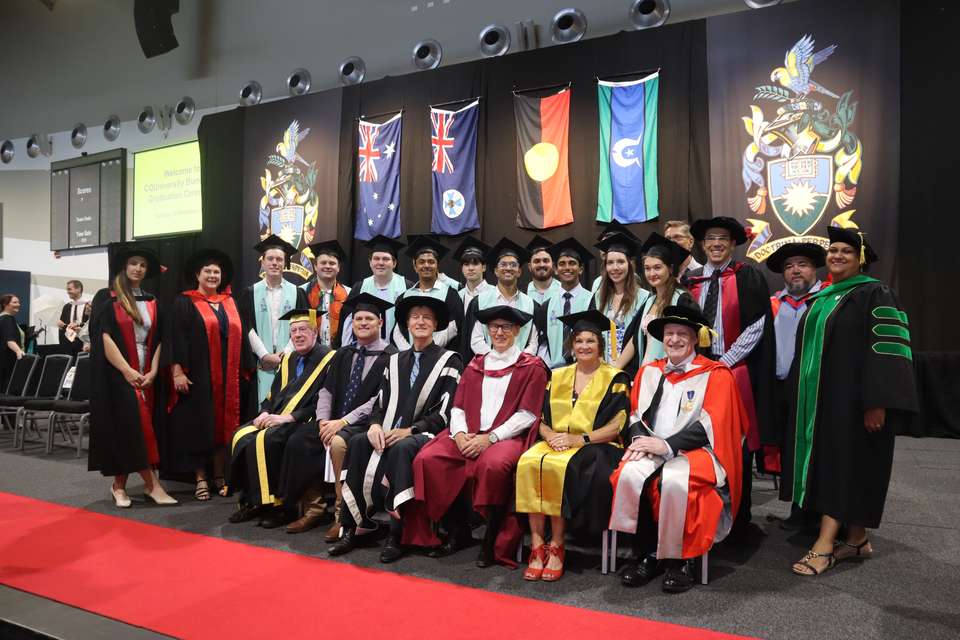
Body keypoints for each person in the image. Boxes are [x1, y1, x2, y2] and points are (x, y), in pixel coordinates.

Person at [781, 227, 917, 577]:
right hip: (823, 402)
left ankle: (825, 544)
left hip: (857, 402)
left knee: (846, 464)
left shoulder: (875, 294)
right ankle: (856, 538)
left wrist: (878, 402)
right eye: (833, 251)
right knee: (839, 464)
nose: (837, 256)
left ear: (860, 260)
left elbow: (888, 351)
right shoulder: (824, 298)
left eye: (846, 251)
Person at [609, 306, 749, 593]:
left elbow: (713, 423)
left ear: (696, 338)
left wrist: (668, 445)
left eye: (682, 334)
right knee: (631, 474)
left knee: (673, 481)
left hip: (698, 451)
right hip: (653, 444)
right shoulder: (650, 371)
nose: (674, 339)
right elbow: (635, 413)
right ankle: (648, 554)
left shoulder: (716, 374)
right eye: (669, 334)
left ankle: (679, 561)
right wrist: (640, 440)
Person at [404, 305, 549, 567]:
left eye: (506, 327)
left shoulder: (532, 367)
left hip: (506, 437)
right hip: (468, 433)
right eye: (494, 327)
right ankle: (456, 529)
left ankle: (491, 539)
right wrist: (459, 435)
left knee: (492, 466)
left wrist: (491, 438)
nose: (500, 332)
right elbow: (457, 406)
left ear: (517, 330)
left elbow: (528, 414)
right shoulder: (476, 364)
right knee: (429, 458)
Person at [329, 295, 462, 563]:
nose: (421, 321)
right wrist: (375, 425)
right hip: (388, 429)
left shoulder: (450, 360)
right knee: (357, 442)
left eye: (427, 317)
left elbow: (446, 411)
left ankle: (397, 534)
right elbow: (379, 402)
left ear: (436, 324)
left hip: (425, 435)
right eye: (415, 317)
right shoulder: (394, 360)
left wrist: (411, 430)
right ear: (407, 324)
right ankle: (353, 527)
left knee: (402, 448)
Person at [516, 310, 631, 581]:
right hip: (556, 441)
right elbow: (540, 418)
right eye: (578, 341)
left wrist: (580, 439)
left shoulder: (615, 378)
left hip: (596, 445)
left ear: (600, 345)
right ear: (571, 345)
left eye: (590, 341)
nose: (584, 346)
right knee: (529, 461)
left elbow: (618, 424)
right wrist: (548, 435)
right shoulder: (557, 376)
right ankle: (536, 545)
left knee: (559, 467)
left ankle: (557, 544)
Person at [682, 216, 775, 536]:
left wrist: (728, 360)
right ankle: (700, 515)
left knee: (737, 444)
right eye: (710, 238)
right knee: (696, 439)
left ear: (733, 243)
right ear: (703, 244)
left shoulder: (747, 275)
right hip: (696, 371)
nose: (716, 244)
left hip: (734, 371)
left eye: (723, 238)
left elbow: (758, 324)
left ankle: (739, 517)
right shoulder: (691, 281)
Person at [279, 293, 397, 539]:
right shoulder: (343, 353)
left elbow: (379, 400)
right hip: (332, 421)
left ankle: (341, 517)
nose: (363, 323)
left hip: (364, 424)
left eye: (368, 319)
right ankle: (313, 509)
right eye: (358, 319)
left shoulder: (391, 356)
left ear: (380, 323)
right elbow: (326, 389)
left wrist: (342, 422)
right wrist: (323, 421)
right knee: (299, 439)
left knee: (338, 443)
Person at [226, 309, 335, 528]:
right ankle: (253, 500)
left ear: (315, 332)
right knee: (241, 435)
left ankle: (281, 506)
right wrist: (265, 412)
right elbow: (272, 394)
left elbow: (324, 401)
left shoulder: (329, 359)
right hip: (278, 417)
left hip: (306, 420)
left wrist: (288, 418)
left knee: (268, 440)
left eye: (303, 330)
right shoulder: (289, 359)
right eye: (293, 331)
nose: (298, 335)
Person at [87, 245, 176, 508]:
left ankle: (118, 486)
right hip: (118, 372)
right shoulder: (107, 297)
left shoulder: (152, 300)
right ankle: (152, 485)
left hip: (147, 370)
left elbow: (159, 339)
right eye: (133, 263)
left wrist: (152, 371)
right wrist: (127, 371)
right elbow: (103, 338)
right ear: (124, 267)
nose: (138, 268)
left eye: (143, 265)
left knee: (131, 429)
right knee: (135, 426)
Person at [165, 249, 249, 501]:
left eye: (217, 272)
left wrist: (245, 369)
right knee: (201, 426)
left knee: (225, 426)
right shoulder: (185, 302)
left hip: (228, 376)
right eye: (208, 271)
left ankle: (220, 475)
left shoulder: (230, 302)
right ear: (197, 275)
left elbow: (241, 336)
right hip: (200, 376)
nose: (213, 275)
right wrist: (177, 371)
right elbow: (175, 337)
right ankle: (201, 477)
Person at [765, 242, 827, 530]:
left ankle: (818, 513)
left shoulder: (826, 302)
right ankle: (798, 509)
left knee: (813, 450)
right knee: (789, 450)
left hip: (814, 389)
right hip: (780, 388)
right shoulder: (774, 303)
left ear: (814, 268)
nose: (795, 271)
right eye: (789, 266)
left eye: (802, 264)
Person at [614, 233, 698, 379]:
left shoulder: (681, 300)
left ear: (670, 269)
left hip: (673, 375)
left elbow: (690, 342)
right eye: (647, 268)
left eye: (657, 267)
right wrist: (614, 369)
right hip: (647, 373)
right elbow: (635, 340)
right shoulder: (649, 301)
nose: (652, 273)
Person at [239, 235, 307, 409]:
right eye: (270, 259)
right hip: (260, 363)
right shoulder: (250, 292)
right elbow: (246, 327)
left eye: (279, 259)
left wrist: (285, 354)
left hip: (290, 359)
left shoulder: (297, 293)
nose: (275, 263)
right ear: (262, 262)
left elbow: (304, 326)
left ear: (285, 263)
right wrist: (264, 355)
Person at [462, 237, 539, 362]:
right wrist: (495, 360)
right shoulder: (480, 302)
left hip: (521, 367)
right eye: (503, 264)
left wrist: (517, 360)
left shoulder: (531, 305)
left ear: (519, 272)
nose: (508, 268)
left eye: (513, 265)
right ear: (496, 271)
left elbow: (533, 342)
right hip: (488, 366)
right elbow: (476, 339)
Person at [392, 235, 464, 350]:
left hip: (439, 357)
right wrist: (409, 352)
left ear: (437, 266)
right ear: (415, 266)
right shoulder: (405, 297)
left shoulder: (451, 295)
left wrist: (425, 349)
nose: (426, 265)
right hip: (407, 357)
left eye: (431, 262)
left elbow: (453, 328)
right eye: (421, 262)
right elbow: (397, 330)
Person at [590, 232, 650, 365]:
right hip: (602, 366)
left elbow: (636, 336)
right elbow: (593, 331)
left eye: (621, 262)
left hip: (631, 368)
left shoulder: (644, 298)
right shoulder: (599, 297)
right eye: (610, 263)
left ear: (629, 264)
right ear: (605, 266)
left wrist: (616, 368)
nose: (615, 268)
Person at [340, 235, 411, 345]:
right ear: (370, 262)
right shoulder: (360, 288)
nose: (380, 263)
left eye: (385, 259)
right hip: (365, 352)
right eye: (376, 259)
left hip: (398, 353)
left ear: (394, 263)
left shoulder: (406, 287)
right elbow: (348, 322)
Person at [535, 238, 593, 368]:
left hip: (585, 369)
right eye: (562, 264)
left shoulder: (592, 301)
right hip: (555, 372)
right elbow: (543, 343)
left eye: (572, 263)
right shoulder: (546, 306)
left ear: (581, 269)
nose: (567, 268)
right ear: (555, 269)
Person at [302, 240, 351, 348]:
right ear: (315, 266)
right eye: (323, 263)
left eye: (332, 263)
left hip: (340, 353)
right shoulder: (303, 292)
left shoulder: (349, 293)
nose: (328, 266)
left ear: (338, 268)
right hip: (310, 353)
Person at [591, 221, 642, 293]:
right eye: (603, 245)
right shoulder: (597, 282)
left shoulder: (634, 279)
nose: (604, 250)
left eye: (620, 262)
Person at [454, 236, 492, 309]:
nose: (470, 268)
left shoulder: (495, 294)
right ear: (462, 268)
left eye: (475, 264)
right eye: (466, 264)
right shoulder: (458, 296)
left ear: (484, 267)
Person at [526, 235, 561, 305]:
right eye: (537, 261)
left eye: (546, 260)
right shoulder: (522, 294)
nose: (542, 265)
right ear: (529, 266)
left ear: (553, 265)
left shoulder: (564, 291)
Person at [0, 294, 25, 392]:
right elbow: (9, 340)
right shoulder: (7, 318)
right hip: (8, 360)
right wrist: (19, 351)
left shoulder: (2, 318)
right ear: (5, 304)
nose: (18, 304)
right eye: (14, 302)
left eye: (18, 302)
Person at [57, 279, 87, 352]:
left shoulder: (88, 305)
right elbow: (62, 327)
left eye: (70, 289)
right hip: (68, 344)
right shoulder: (67, 307)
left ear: (78, 289)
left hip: (83, 344)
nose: (67, 292)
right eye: (67, 290)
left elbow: (90, 325)